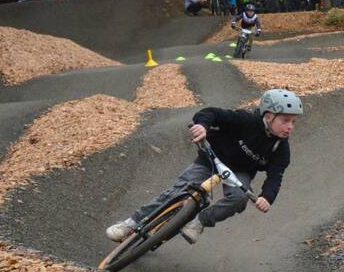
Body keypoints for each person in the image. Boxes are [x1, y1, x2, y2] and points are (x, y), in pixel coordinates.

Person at [105, 90, 301, 245]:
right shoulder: (245, 120)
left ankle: (199, 222)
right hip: (211, 160)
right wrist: (202, 126)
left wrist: (267, 197)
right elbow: (211, 113)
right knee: (180, 190)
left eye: (293, 122)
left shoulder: (281, 149)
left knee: (239, 199)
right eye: (285, 121)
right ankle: (130, 223)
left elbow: (276, 176)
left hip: (238, 173)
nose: (290, 126)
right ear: (269, 116)